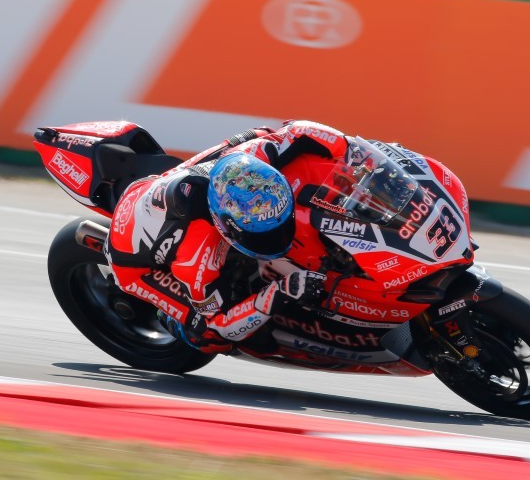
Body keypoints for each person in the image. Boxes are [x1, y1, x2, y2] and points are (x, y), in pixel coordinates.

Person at [104, 120, 348, 353]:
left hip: (172, 188)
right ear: (223, 226)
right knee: (208, 335)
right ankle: (168, 319)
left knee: (261, 133)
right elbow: (220, 323)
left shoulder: (252, 157)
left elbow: (298, 131)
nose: (278, 237)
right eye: (266, 235)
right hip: (132, 262)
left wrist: (353, 151)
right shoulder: (197, 258)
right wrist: (281, 291)